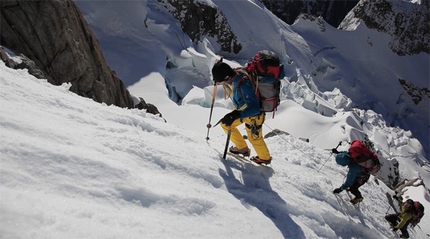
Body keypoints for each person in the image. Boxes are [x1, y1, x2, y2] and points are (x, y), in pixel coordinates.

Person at [211, 59, 271, 165]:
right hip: (243, 110)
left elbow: (255, 108)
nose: (224, 84)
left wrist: (236, 114)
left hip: (254, 116)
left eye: (223, 81)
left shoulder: (244, 84)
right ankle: (242, 148)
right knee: (226, 124)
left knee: (255, 139)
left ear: (227, 77)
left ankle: (264, 158)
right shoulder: (236, 73)